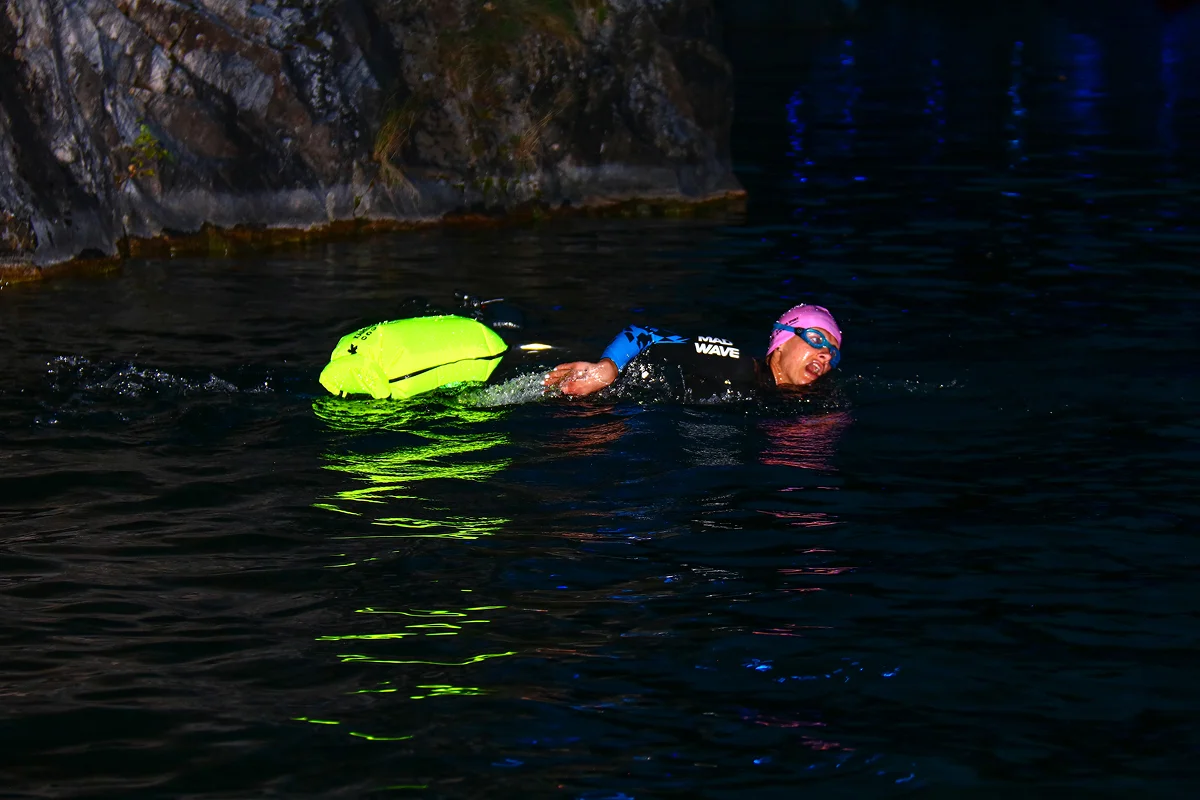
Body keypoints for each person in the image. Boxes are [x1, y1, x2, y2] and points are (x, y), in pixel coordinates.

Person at [543, 303, 843, 401]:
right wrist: (608, 368)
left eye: (833, 351)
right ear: (782, 342)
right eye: (816, 338)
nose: (825, 354)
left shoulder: (793, 402)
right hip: (596, 402)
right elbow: (645, 333)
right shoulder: (735, 362)